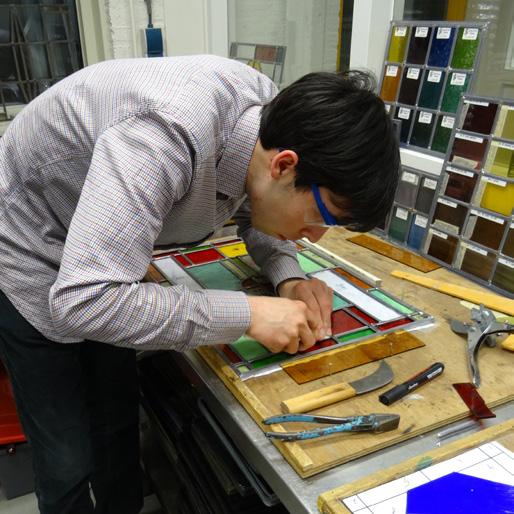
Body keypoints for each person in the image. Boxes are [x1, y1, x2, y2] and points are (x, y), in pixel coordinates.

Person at [0, 55, 399, 513]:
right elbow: (85, 301)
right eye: (323, 217)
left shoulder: (267, 124)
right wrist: (246, 314)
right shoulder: (161, 138)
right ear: (285, 165)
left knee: (115, 424)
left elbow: (257, 204)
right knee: (67, 455)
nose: (317, 237)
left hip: (100, 251)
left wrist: (288, 277)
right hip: (29, 246)